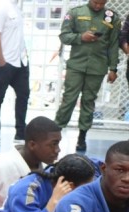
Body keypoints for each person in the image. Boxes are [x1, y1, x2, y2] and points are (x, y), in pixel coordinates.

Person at [55, 0, 121, 153]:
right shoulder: (75, 13)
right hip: (76, 65)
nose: (98, 6)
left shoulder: (112, 18)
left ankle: (82, 137)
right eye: (95, 2)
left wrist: (113, 68)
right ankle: (56, 133)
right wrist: (80, 37)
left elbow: (113, 45)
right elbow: (64, 36)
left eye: (102, 3)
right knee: (69, 99)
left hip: (97, 67)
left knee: (88, 101)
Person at [0, 0, 30, 147]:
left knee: (23, 96)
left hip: (20, 62)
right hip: (3, 62)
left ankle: (20, 134)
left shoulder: (17, 9)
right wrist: (1, 61)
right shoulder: (0, 7)